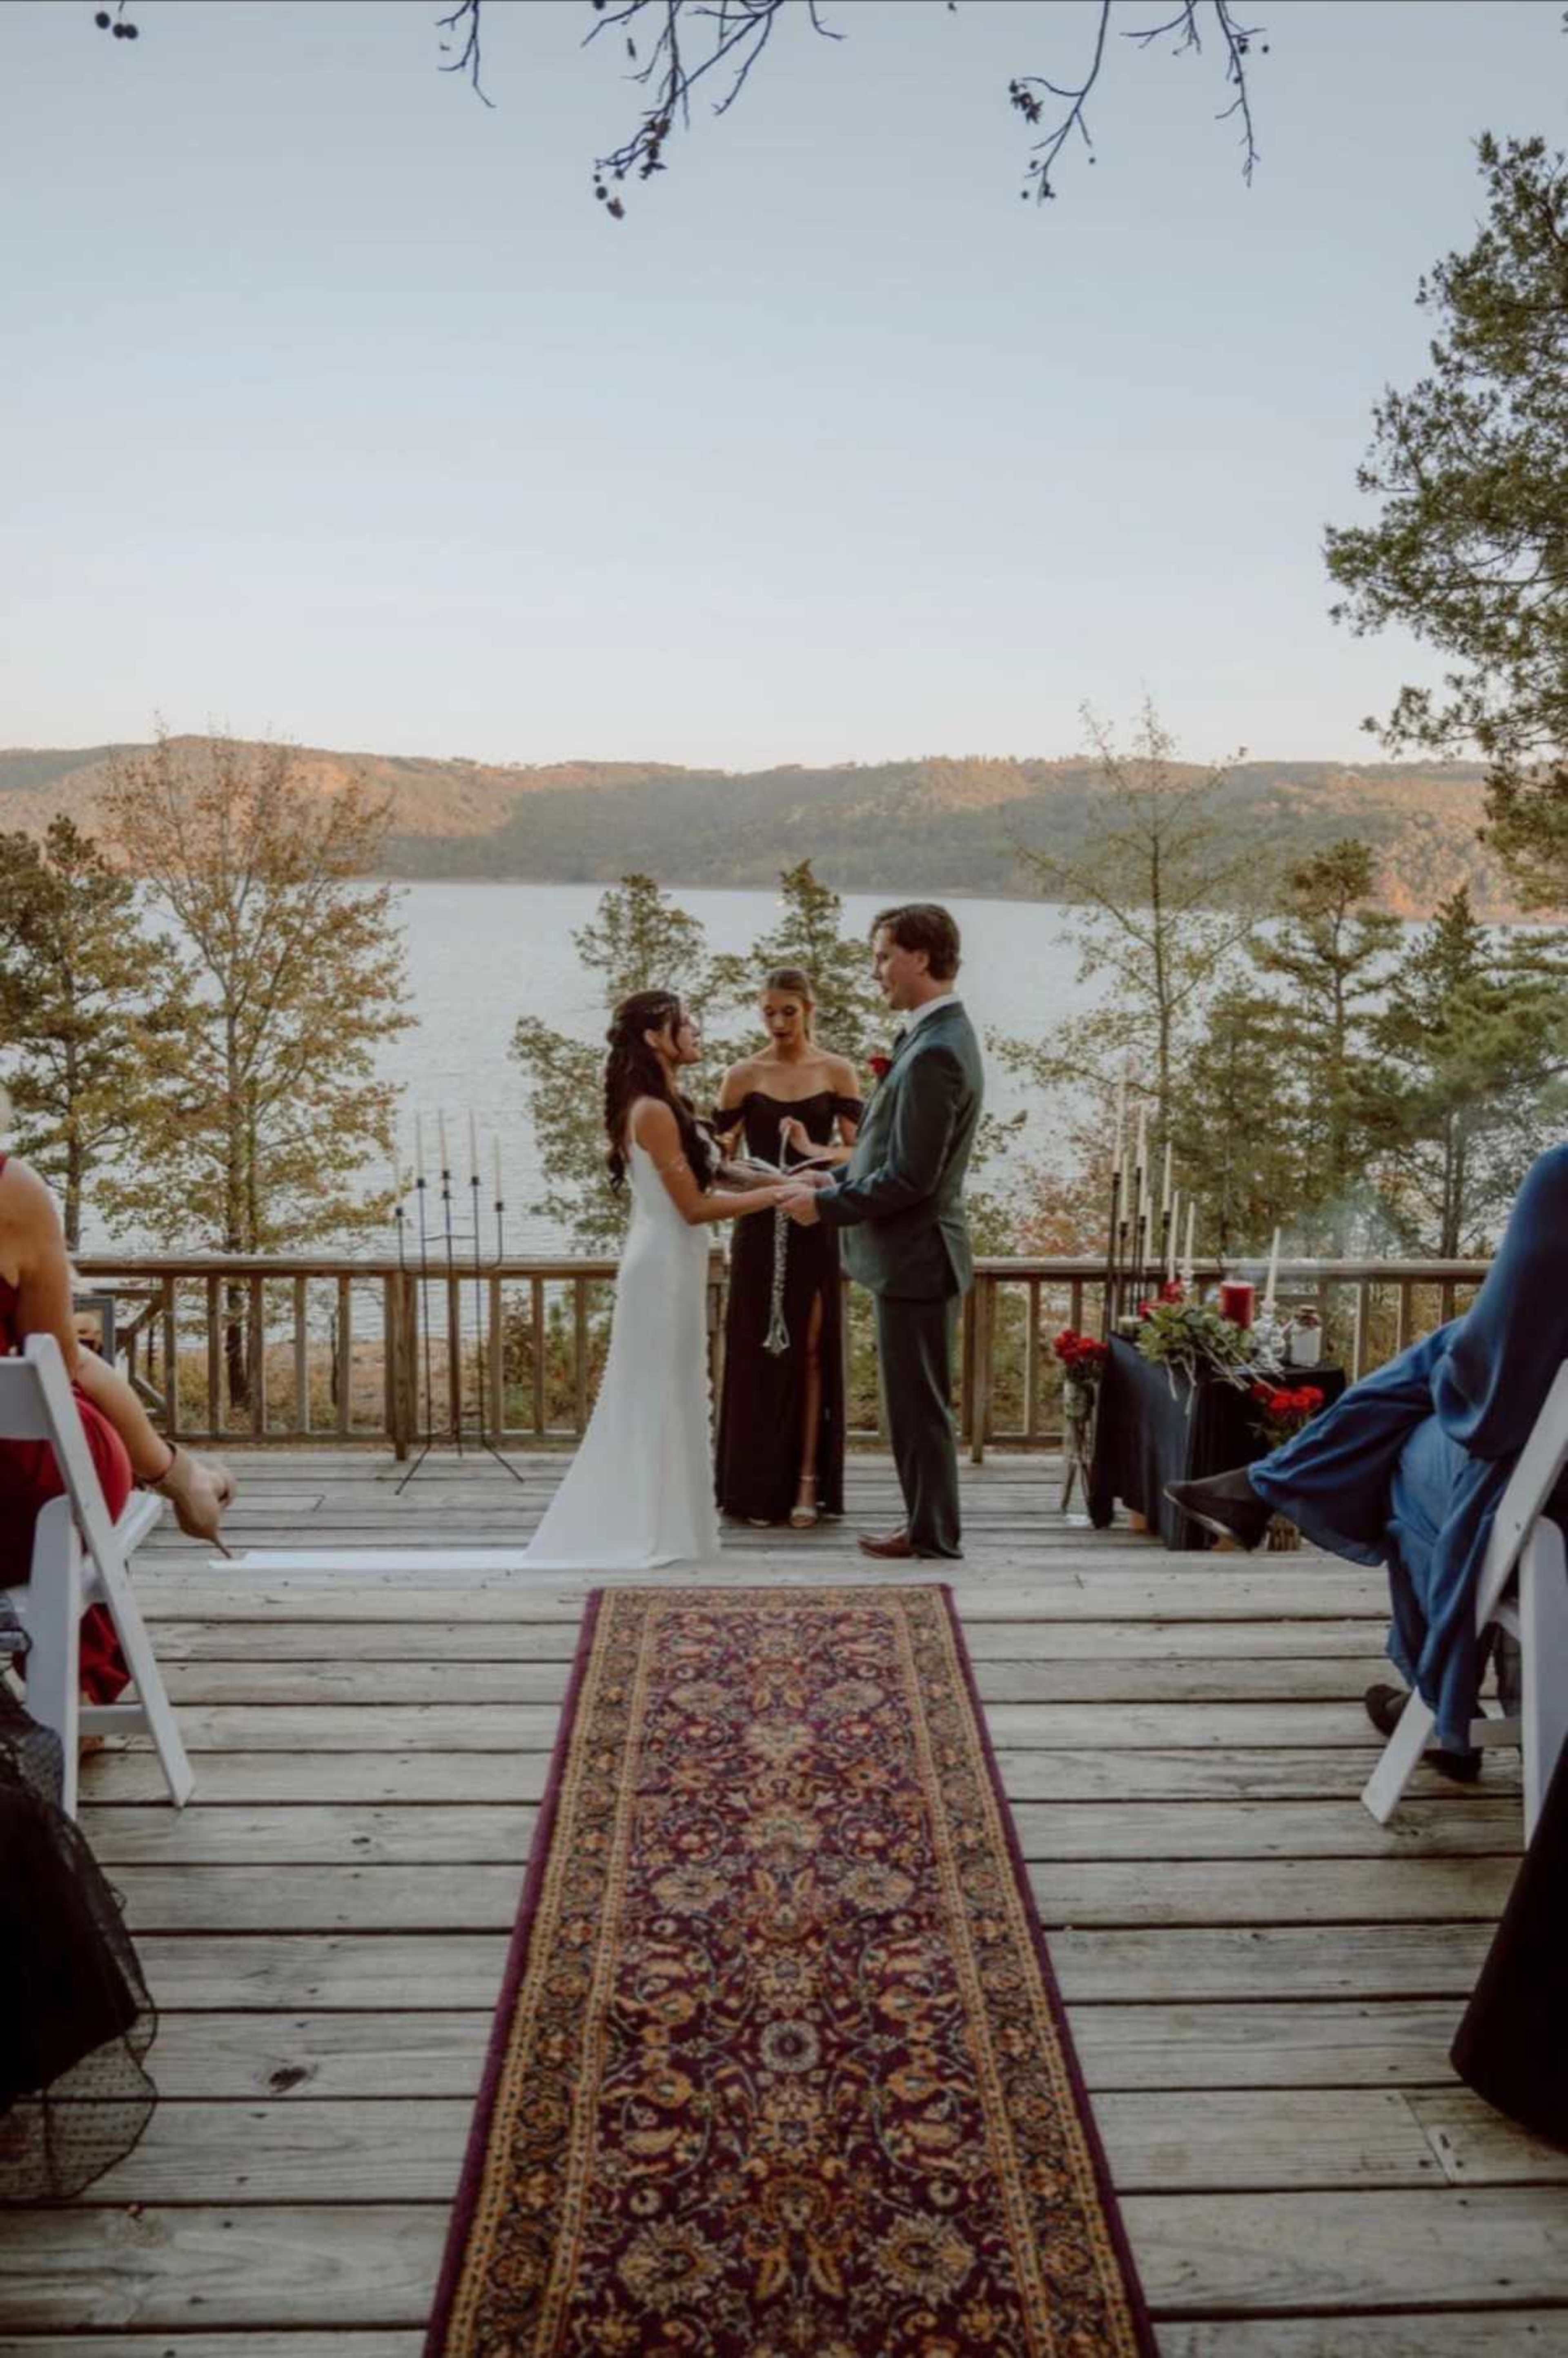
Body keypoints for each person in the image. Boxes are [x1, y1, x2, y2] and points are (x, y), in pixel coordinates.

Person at [1168, 1140, 1568, 1781]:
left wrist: (1447, 1367)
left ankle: (1443, 1715)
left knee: (1404, 1455)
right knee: (1447, 1365)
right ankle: (1264, 1484)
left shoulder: (1563, 1176)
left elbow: (1492, 1396)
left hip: (1552, 1509)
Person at [522, 990, 788, 1571]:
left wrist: (793, 1180)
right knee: (658, 1392)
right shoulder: (651, 1110)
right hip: (662, 1265)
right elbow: (693, 1206)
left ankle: (676, 1526)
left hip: (678, 1261)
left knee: (680, 1389)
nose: (695, 1030)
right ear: (652, 1037)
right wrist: (776, 1198)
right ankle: (646, 1525)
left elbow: (717, 1171)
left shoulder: (668, 1101)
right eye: (683, 1022)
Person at [779, 904, 983, 1562]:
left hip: (918, 1259)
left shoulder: (936, 1053)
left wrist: (829, 1207)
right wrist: (829, 1180)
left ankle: (933, 1534)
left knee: (920, 1408)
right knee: (914, 1405)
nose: (876, 973)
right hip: (914, 1257)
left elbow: (912, 1177)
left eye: (882, 956)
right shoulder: (934, 1037)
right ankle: (926, 1525)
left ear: (920, 958)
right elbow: (889, 1152)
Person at [0, 1147, 236, 1704]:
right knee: (65, 1475)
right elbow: (64, 1364)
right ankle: (75, 1694)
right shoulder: (13, 1192)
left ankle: (183, 1475)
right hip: (16, 1506)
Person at [711, 967, 863, 1529]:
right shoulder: (741, 1075)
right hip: (758, 1224)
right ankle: (752, 1486)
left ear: (808, 1009)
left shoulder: (836, 1071)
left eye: (788, 1012)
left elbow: (859, 1155)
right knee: (755, 1352)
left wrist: (808, 1149)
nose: (778, 1023)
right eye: (768, 1012)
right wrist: (760, 1179)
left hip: (814, 1222)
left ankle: (807, 1481)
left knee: (812, 1349)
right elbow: (716, 1162)